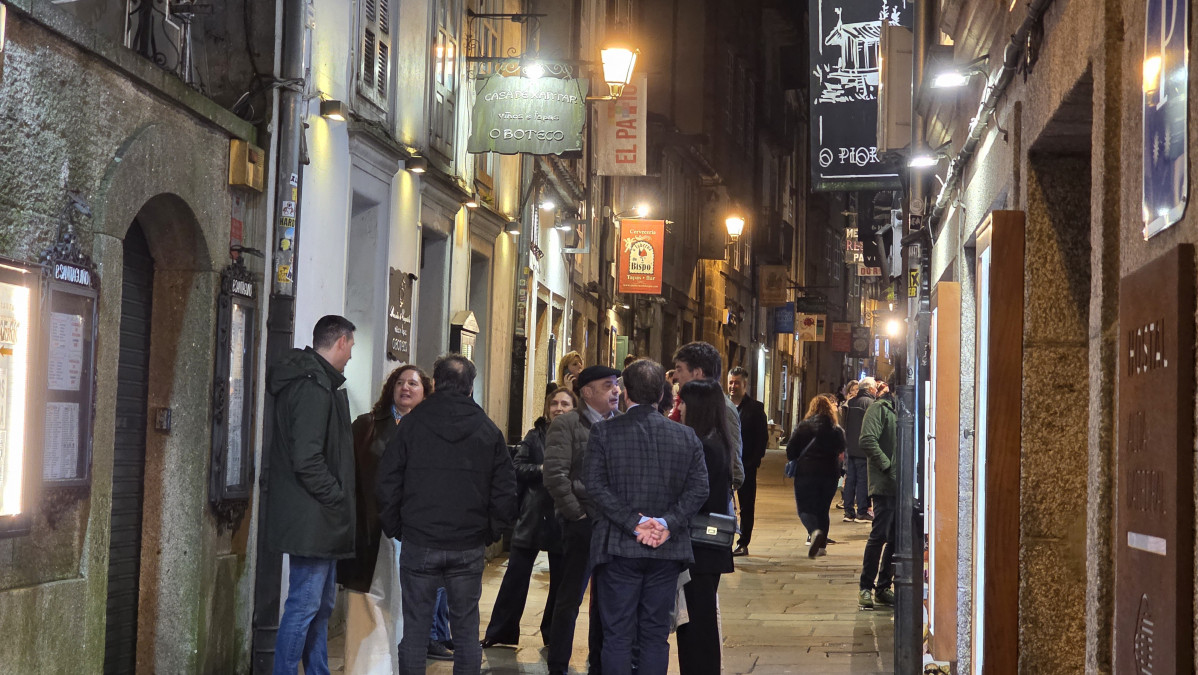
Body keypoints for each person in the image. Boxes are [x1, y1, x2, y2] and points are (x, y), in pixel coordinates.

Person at [376, 354, 517, 675]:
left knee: (414, 631)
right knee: (466, 632)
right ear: (470, 387)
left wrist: (398, 526)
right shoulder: (487, 430)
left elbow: (387, 481)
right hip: (466, 544)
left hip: (419, 541)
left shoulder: (412, 424)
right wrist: (490, 532)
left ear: (436, 384)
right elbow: (506, 491)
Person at [584, 359, 709, 675]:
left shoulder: (603, 433)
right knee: (655, 636)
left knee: (616, 635)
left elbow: (595, 486)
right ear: (662, 395)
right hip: (666, 550)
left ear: (625, 393)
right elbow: (699, 489)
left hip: (617, 548)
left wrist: (633, 522)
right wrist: (667, 523)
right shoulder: (686, 437)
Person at [266, 315, 357, 675]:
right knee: (304, 605)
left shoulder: (318, 382)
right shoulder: (312, 386)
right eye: (350, 346)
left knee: (320, 606)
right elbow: (307, 458)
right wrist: (335, 497)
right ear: (340, 342)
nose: (350, 355)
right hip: (314, 517)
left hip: (318, 517)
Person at [340, 365, 441, 672]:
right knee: (366, 599)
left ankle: (398, 666)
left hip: (412, 529)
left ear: (425, 392)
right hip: (370, 527)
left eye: (413, 383)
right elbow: (350, 474)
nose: (406, 387)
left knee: (402, 601)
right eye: (400, 382)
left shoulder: (432, 429)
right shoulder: (367, 425)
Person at [481, 387, 578, 648]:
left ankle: (553, 635)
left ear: (573, 408)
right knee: (515, 576)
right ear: (547, 408)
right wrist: (542, 469)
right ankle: (501, 632)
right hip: (534, 513)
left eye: (565, 404)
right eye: (555, 403)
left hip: (564, 516)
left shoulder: (581, 436)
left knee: (560, 583)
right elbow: (517, 467)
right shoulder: (535, 436)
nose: (559, 408)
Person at [542, 365, 622, 675]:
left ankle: (599, 661)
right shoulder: (567, 425)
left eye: (616, 385)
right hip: (582, 524)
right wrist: (577, 514)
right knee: (570, 597)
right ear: (587, 392)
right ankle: (559, 664)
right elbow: (555, 475)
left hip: (613, 524)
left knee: (608, 599)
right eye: (608, 385)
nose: (615, 390)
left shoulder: (620, 424)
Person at [675, 378, 735, 675]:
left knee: (697, 624)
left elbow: (699, 496)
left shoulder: (707, 446)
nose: (679, 408)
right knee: (699, 621)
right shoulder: (715, 440)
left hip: (701, 548)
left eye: (683, 402)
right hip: (707, 550)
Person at [671, 342, 744, 490]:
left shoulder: (722, 407)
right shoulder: (685, 403)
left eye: (679, 369)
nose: (675, 376)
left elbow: (735, 468)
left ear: (697, 373)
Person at [787, 395, 846, 559]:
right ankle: (821, 547)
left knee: (805, 508)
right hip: (830, 474)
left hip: (807, 473)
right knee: (823, 509)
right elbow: (842, 449)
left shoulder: (803, 427)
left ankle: (814, 532)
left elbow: (790, 450)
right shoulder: (836, 429)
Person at [858, 390, 898, 609]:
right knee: (879, 535)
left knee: (896, 539)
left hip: (905, 486)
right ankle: (865, 587)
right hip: (884, 485)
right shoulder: (879, 409)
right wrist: (887, 465)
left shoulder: (905, 409)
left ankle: (883, 587)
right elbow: (867, 439)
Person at [726, 366, 767, 557]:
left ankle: (743, 542)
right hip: (724, 465)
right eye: (730, 382)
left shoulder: (755, 409)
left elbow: (762, 439)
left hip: (746, 465)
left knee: (746, 505)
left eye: (737, 382)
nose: (733, 386)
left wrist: (752, 462)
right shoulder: (721, 405)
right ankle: (722, 539)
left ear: (745, 384)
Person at [842, 377, 877, 523]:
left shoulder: (851, 402)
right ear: (869, 389)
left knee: (850, 479)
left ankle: (848, 512)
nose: (875, 390)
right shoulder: (870, 403)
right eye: (874, 388)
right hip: (863, 448)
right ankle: (862, 512)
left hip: (850, 446)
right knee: (863, 480)